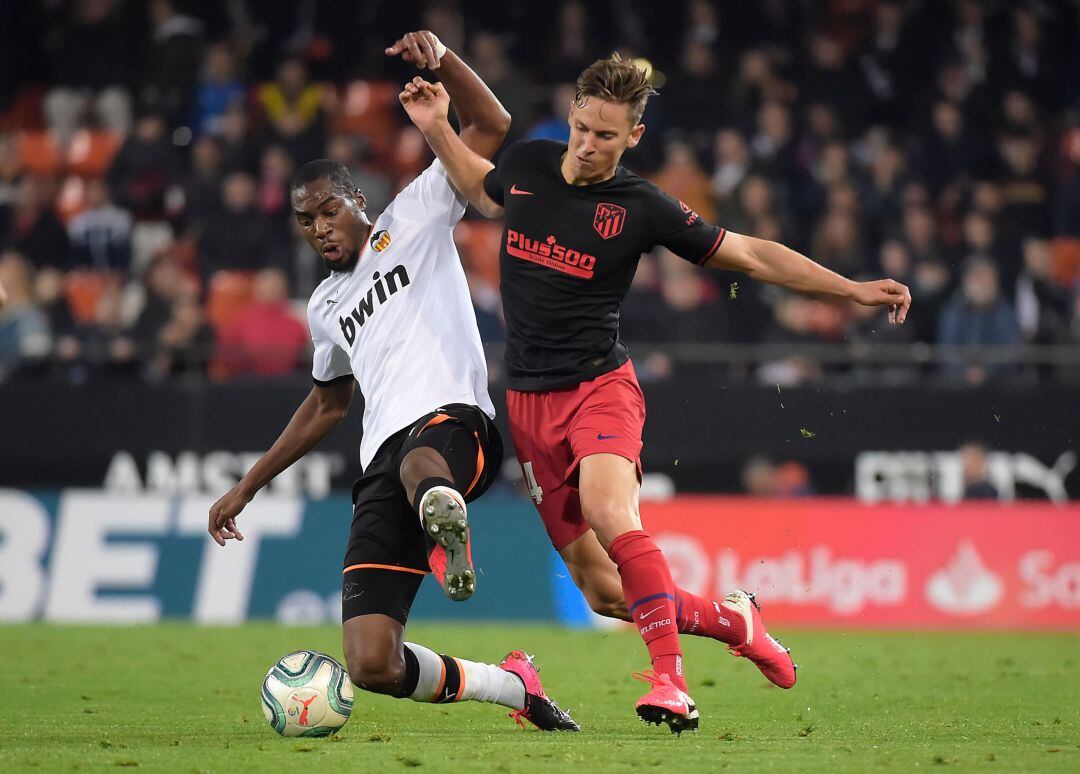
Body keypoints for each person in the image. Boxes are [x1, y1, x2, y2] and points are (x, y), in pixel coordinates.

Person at [400, 53, 912, 734]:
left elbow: (752, 255)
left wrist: (849, 290)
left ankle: (671, 682)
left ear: (633, 138)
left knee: (609, 511)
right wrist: (438, 126)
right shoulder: (526, 165)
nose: (589, 145)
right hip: (529, 405)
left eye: (607, 136)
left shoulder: (641, 207)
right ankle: (737, 622)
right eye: (584, 127)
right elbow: (478, 185)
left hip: (599, 389)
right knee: (603, 590)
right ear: (574, 112)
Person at [207, 32, 577, 733]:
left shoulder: (415, 213)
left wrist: (442, 61)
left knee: (422, 463)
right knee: (372, 661)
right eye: (304, 220)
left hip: (454, 423)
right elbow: (327, 403)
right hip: (382, 464)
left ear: (356, 198)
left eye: (325, 209)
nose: (317, 227)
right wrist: (249, 483)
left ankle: (443, 519)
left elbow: (491, 128)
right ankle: (514, 688)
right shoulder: (325, 306)